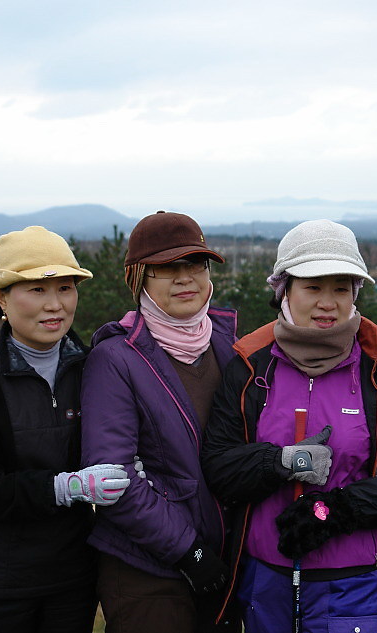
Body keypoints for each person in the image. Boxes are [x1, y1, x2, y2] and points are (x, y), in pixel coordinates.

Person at [201, 219, 377, 633]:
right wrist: (280, 462)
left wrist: (333, 510)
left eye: (341, 289)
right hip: (265, 574)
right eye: (313, 287)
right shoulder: (249, 369)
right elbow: (219, 466)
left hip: (353, 581)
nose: (328, 303)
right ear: (284, 290)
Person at [0, 225, 130, 633]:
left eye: (65, 288)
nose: (54, 305)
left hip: (72, 580)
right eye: (37, 290)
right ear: (1, 297)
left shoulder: (94, 368)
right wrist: (63, 487)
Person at [80, 210, 238, 633]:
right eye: (167, 268)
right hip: (148, 572)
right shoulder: (115, 359)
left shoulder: (230, 347)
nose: (185, 278)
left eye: (196, 264)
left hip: (223, 560)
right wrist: (189, 552)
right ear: (139, 279)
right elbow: (114, 478)